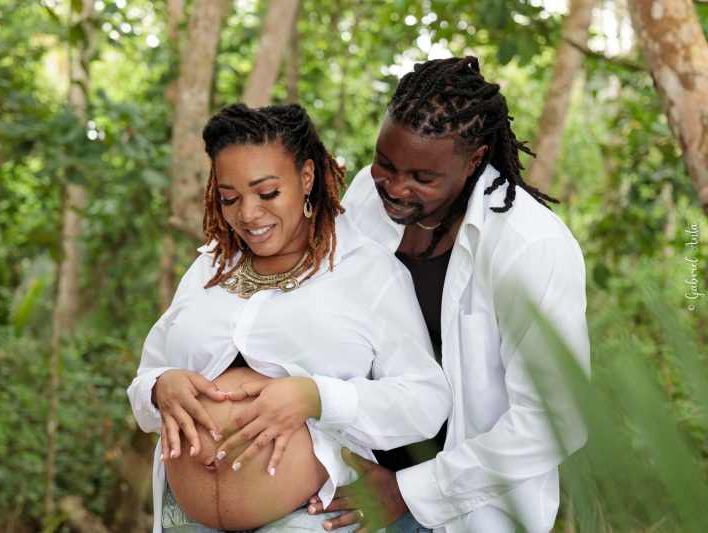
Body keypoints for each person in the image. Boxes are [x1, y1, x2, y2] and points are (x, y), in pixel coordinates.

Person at [127, 103, 452, 532]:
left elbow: (426, 401)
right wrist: (159, 387)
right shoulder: (209, 267)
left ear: (306, 178)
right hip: (185, 518)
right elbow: (146, 380)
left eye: (267, 193)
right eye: (229, 197)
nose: (247, 214)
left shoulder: (367, 271)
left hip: (309, 515)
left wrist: (316, 397)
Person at [309, 56, 590, 532]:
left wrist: (406, 491)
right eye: (386, 162)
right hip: (353, 484)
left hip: (466, 512)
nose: (395, 187)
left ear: (474, 159)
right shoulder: (363, 195)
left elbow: (555, 420)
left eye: (422, 177)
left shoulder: (530, 247)